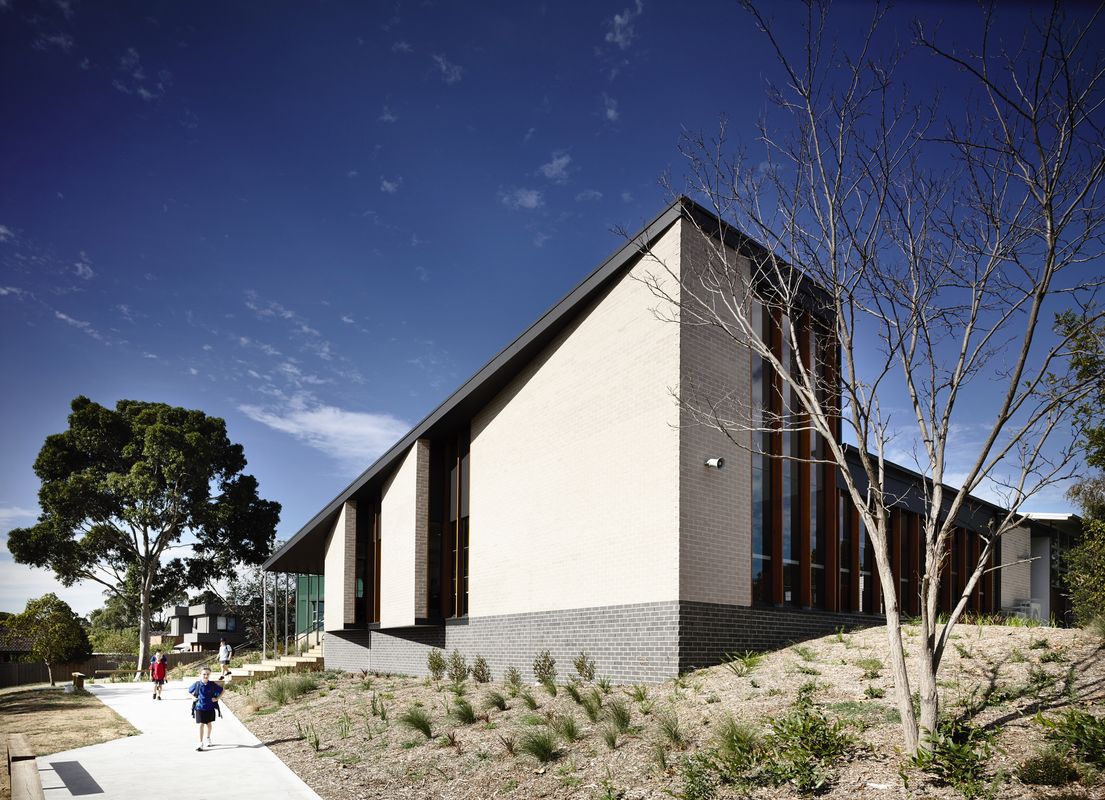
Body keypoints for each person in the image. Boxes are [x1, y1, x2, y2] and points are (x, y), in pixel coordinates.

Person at [187, 667, 224, 751]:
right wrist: (193, 697)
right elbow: (189, 691)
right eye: (204, 674)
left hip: (210, 707)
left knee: (209, 724)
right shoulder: (197, 684)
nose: (206, 676)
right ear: (200, 674)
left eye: (207, 674)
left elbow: (222, 691)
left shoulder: (212, 684)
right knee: (201, 724)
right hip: (199, 707)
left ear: (209, 675)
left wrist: (217, 698)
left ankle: (208, 738)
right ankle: (200, 743)